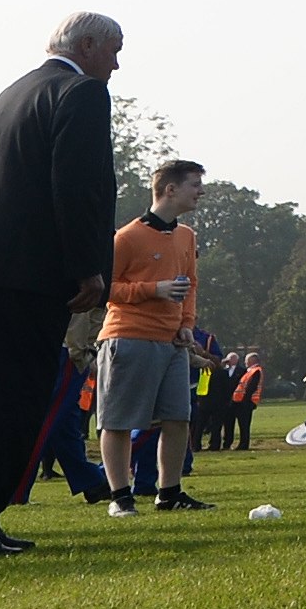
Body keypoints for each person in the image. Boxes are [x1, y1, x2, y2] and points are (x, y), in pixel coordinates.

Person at [0, 15, 123, 559]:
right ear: (86, 46)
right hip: (29, 271)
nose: (116, 63)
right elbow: (78, 185)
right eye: (113, 50)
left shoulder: (9, 96)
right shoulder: (81, 93)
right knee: (17, 398)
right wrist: (89, 267)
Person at [95, 159, 213, 514]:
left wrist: (186, 324)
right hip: (128, 337)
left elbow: (190, 285)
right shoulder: (127, 237)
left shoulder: (186, 236)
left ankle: (170, 493)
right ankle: (120, 497)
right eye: (194, 184)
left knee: (178, 418)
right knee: (117, 420)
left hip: (173, 342)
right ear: (170, 189)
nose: (200, 192)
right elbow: (106, 289)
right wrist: (153, 289)